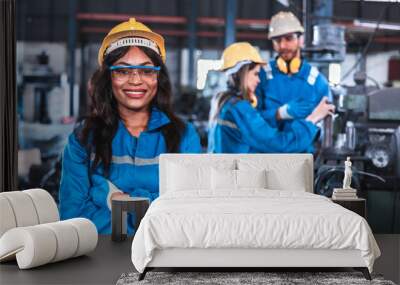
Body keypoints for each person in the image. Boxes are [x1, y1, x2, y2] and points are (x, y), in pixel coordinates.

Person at [59, 18, 201, 234]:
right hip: (100, 260)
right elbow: (72, 221)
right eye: (123, 71)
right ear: (108, 77)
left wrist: (107, 196)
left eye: (146, 71)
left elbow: (189, 214)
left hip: (165, 262)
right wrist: (149, 210)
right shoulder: (83, 139)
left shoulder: (183, 136)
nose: (136, 80)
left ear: (157, 77)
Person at [208, 42, 334, 153]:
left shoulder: (221, 101)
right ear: (243, 72)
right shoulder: (240, 108)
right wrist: (313, 119)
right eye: (256, 74)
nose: (258, 80)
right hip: (237, 177)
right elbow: (280, 145)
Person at [256, 12, 332, 152]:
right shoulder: (260, 77)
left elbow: (326, 128)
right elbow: (251, 121)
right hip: (267, 156)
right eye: (277, 40)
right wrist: (279, 113)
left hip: (303, 158)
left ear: (300, 40)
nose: (283, 45)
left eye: (289, 38)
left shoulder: (318, 82)